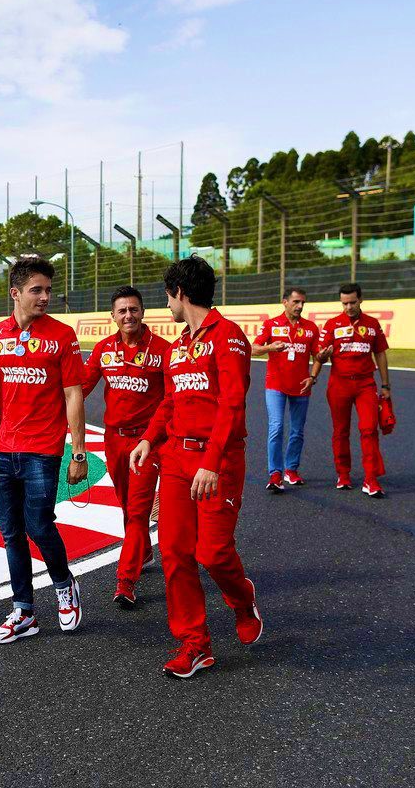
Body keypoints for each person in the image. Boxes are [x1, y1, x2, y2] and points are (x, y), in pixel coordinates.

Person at [130, 256, 263, 678]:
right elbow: (169, 402)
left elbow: (232, 404)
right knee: (174, 551)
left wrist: (211, 461)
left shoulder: (229, 337)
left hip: (218, 460)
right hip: (175, 459)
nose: (166, 305)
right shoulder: (178, 346)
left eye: (167, 296)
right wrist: (148, 439)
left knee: (213, 553)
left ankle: (242, 601)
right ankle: (194, 643)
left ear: (180, 293)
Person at [0, 257, 87, 645]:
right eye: (36, 290)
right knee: (11, 533)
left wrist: (78, 452)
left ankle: (63, 585)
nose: (45, 297)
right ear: (15, 293)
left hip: (44, 450)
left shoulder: (63, 335)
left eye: (48, 290)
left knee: (38, 525)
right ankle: (24, 611)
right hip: (6, 449)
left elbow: (73, 394)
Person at [81, 286, 171, 609]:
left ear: (143, 312)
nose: (128, 315)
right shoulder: (103, 349)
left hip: (148, 442)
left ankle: (126, 581)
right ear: (113, 316)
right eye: (122, 311)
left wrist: (156, 437)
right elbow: (81, 387)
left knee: (137, 510)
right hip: (113, 439)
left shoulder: (163, 350)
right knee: (126, 505)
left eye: (134, 309)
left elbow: (172, 399)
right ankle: (143, 550)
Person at [309, 283, 392, 497]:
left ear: (361, 300)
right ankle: (343, 474)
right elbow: (319, 355)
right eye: (344, 303)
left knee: (369, 429)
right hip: (339, 384)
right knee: (341, 431)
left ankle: (371, 479)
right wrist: (322, 357)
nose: (348, 307)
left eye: (352, 302)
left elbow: (380, 353)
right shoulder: (332, 324)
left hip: (366, 384)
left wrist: (385, 385)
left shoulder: (372, 324)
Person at [251, 288, 320, 492]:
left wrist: (313, 377)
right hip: (276, 385)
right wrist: (270, 348)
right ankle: (275, 474)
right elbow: (253, 348)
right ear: (285, 302)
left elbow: (318, 356)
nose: (300, 306)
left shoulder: (311, 328)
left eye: (303, 303)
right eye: (296, 302)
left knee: (297, 431)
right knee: (276, 427)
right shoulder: (271, 324)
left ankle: (291, 470)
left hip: (301, 386)